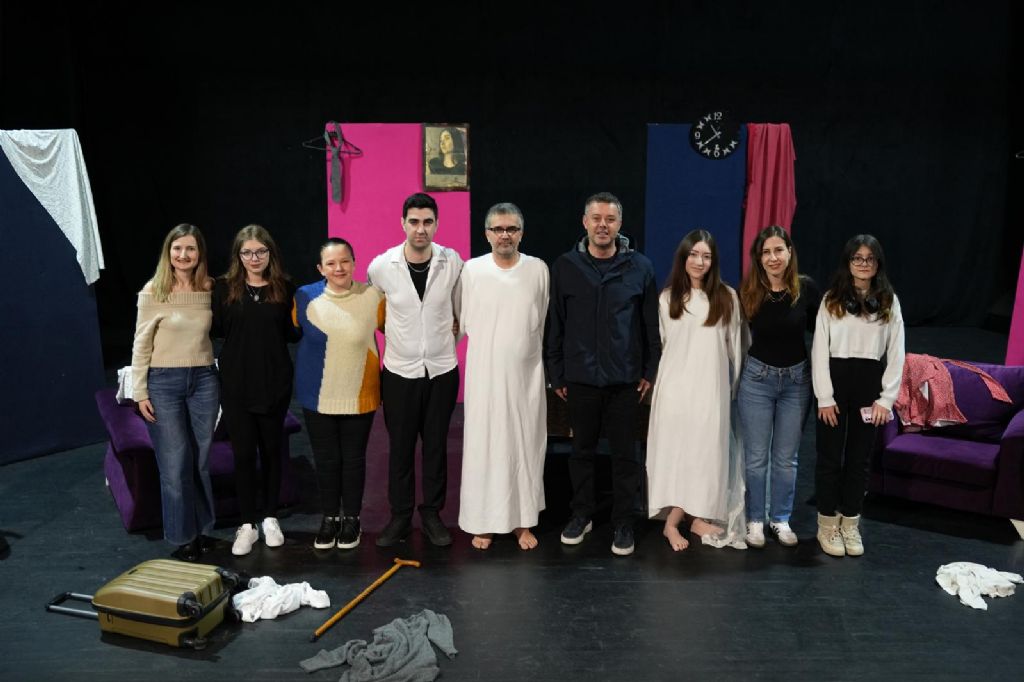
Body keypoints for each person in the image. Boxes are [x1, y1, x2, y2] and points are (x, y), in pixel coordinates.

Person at [545, 191, 660, 556]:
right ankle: (582, 515)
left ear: (619, 224)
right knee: (581, 452)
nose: (602, 225)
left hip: (625, 381)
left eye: (610, 219)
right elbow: (556, 323)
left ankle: (624, 521)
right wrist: (556, 373)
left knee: (625, 455)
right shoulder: (565, 266)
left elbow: (650, 327)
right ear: (585, 222)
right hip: (580, 379)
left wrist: (649, 370)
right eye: (596, 218)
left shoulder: (640, 267)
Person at [367, 193, 463, 547]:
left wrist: (447, 340)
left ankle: (432, 513)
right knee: (401, 448)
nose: (421, 229)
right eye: (414, 222)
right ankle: (400, 516)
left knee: (436, 446)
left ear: (436, 224)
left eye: (427, 222)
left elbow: (460, 312)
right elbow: (375, 313)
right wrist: (403, 338)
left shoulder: (452, 262)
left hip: (441, 370)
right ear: (403, 224)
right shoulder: (382, 266)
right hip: (399, 372)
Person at [646, 229, 746, 551]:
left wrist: (732, 390)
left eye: (706, 256)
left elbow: (735, 348)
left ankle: (697, 515)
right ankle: (672, 523)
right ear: (683, 257)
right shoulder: (668, 298)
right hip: (675, 389)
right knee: (678, 454)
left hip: (710, 389)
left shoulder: (726, 297)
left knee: (704, 453)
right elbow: (664, 345)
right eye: (693, 254)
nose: (699, 262)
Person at [459, 203, 549, 551]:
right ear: (487, 234)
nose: (505, 235)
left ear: (521, 233)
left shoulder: (537, 269)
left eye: (511, 229)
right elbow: (462, 320)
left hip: (526, 377)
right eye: (498, 229)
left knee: (524, 447)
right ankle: (484, 522)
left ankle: (522, 522)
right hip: (485, 378)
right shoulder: (472, 270)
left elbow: (541, 319)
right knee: (486, 446)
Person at [812, 234, 905, 557]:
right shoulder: (831, 300)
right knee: (829, 458)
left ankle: (850, 522)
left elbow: (897, 353)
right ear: (848, 262)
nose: (863, 264)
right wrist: (825, 397)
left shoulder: (889, 302)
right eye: (857, 258)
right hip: (835, 384)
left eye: (869, 258)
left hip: (869, 385)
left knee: (859, 459)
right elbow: (819, 350)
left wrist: (886, 399)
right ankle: (827, 524)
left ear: (878, 264)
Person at [131, 224, 218, 562]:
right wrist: (140, 391)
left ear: (200, 254)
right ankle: (183, 537)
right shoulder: (153, 291)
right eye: (177, 248)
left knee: (201, 459)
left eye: (190, 249)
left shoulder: (207, 288)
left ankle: (204, 529)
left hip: (204, 379)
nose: (184, 255)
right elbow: (141, 344)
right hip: (163, 382)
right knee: (174, 462)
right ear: (168, 253)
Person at [212, 224, 298, 556]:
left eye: (260, 251)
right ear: (238, 255)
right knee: (244, 454)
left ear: (270, 253)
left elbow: (292, 333)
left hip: (274, 381)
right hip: (236, 384)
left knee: (272, 452)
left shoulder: (284, 287)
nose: (254, 258)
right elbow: (215, 330)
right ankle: (247, 524)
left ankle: (270, 517)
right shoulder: (223, 288)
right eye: (247, 252)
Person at [294, 237, 385, 550]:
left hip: (360, 392)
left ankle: (352, 519)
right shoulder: (304, 296)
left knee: (354, 459)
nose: (339, 268)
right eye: (331, 263)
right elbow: (291, 329)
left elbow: (398, 330)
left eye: (345, 261)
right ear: (320, 268)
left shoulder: (373, 296)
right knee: (327, 459)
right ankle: (330, 517)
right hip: (318, 394)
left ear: (355, 263)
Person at [736, 226, 820, 548]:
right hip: (757, 381)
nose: (773, 258)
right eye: (766, 252)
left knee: (786, 458)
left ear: (789, 252)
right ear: (759, 258)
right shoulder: (749, 291)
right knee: (757, 457)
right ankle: (755, 520)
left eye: (778, 250)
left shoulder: (806, 288)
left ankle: (780, 519)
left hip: (796, 383)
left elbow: (824, 333)